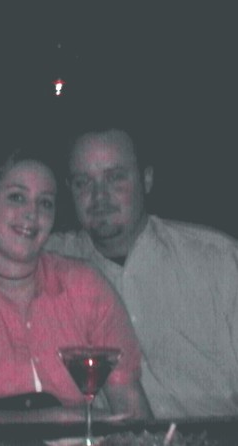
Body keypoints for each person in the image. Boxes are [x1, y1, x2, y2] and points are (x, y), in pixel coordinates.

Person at [0, 149, 152, 426]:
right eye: (17, 197)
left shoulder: (85, 286)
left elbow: (132, 410)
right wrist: (58, 420)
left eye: (45, 203)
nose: (32, 213)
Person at [40, 126, 238, 419]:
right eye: (83, 182)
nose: (99, 196)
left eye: (115, 177)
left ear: (146, 179)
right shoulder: (46, 262)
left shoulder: (217, 261)